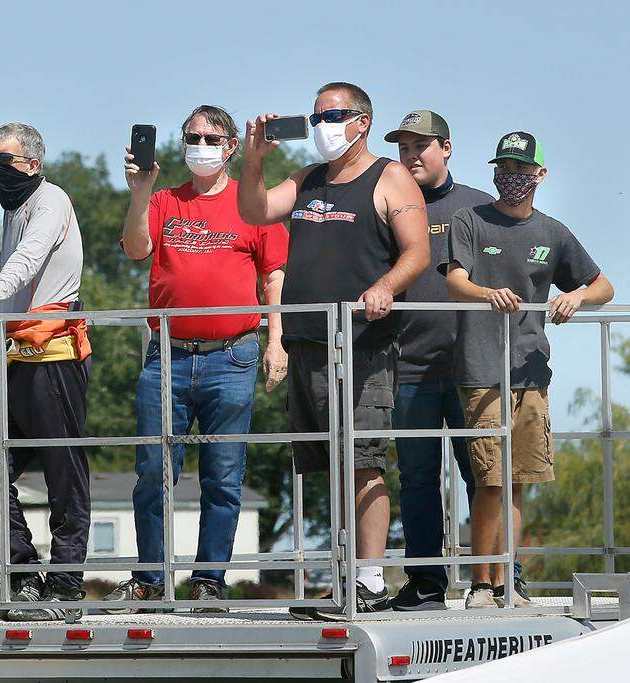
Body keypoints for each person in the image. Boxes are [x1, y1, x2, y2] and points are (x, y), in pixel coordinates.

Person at [240, 82, 431, 619]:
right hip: (306, 341)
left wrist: (386, 286)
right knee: (329, 464)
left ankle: (368, 582)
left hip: (362, 346)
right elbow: (255, 210)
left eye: (334, 115)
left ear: (363, 121)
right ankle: (343, 578)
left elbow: (418, 251)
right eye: (317, 115)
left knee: (364, 462)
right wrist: (253, 161)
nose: (323, 124)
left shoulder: (389, 177)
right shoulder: (307, 179)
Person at [102, 105, 289, 614]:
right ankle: (150, 578)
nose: (199, 145)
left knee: (224, 476)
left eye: (210, 137)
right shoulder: (163, 200)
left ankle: (209, 580)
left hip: (233, 355)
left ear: (231, 146)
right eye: (191, 136)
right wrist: (139, 192)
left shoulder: (255, 204)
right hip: (168, 356)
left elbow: (273, 275)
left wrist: (277, 340)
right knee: (152, 473)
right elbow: (137, 250)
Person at [442, 131, 614, 609]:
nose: (510, 177)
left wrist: (575, 296)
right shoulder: (469, 220)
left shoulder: (552, 232)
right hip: (481, 368)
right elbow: (455, 280)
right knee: (488, 479)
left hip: (530, 371)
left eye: (520, 169)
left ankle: (508, 580)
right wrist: (486, 293)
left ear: (540, 174)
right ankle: (481, 583)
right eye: (503, 168)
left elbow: (604, 285)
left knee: (517, 480)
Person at [0, 122, 92, 622]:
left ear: (31, 164)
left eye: (3, 161)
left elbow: (29, 261)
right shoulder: (14, 210)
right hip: (13, 354)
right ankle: (23, 572)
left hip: (53, 352)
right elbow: (4, 264)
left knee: (63, 471)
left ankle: (66, 579)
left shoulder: (50, 199)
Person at [383, 110, 493, 611]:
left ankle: (494, 579)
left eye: (421, 145)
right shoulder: (384, 201)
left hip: (475, 366)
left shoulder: (482, 206)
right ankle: (426, 581)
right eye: (404, 147)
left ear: (446, 148)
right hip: (409, 365)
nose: (412, 155)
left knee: (486, 475)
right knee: (418, 479)